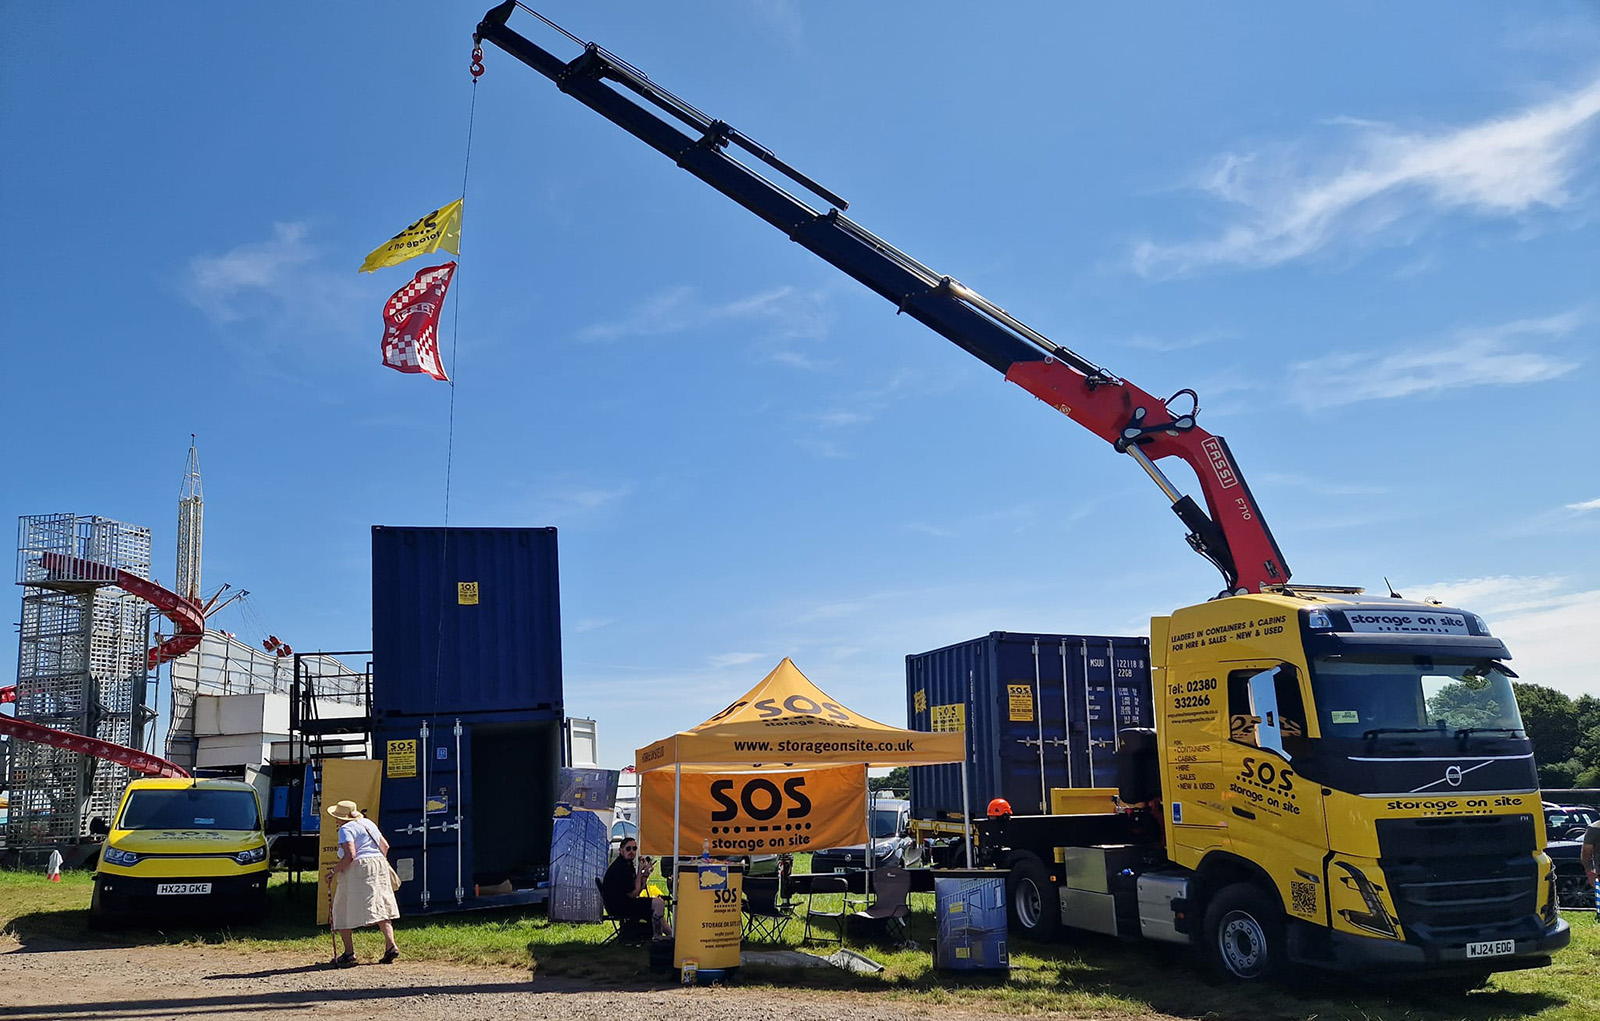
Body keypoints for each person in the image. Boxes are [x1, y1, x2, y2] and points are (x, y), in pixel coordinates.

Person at [325, 800, 400, 967]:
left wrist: (332, 872)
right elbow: (385, 846)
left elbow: (350, 855)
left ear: (342, 818)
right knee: (381, 905)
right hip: (378, 863)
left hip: (358, 867)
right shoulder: (368, 823)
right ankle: (390, 945)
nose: (336, 821)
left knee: (342, 907)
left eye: (337, 817)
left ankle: (349, 953)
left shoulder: (346, 829)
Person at [601, 837, 671, 937]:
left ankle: (671, 935)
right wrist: (639, 872)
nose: (632, 851)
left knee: (657, 904)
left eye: (634, 849)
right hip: (619, 907)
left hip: (623, 904)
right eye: (628, 849)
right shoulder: (621, 868)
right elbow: (634, 893)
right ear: (621, 851)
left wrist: (645, 875)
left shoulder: (627, 865)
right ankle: (658, 937)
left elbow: (637, 889)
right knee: (658, 903)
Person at [1583, 816, 1600, 921]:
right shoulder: (1595, 829)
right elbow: (1586, 852)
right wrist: (1590, 872)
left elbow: (1586, 852)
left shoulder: (1594, 828)